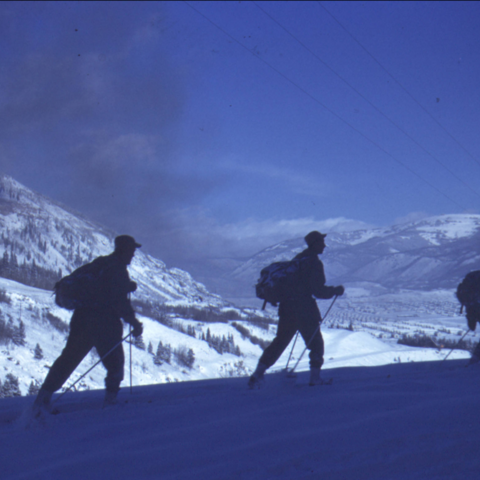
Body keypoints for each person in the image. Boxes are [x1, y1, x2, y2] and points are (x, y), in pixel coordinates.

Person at [33, 235, 144, 412]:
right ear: (123, 250)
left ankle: (41, 401)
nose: (133, 255)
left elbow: (103, 289)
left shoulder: (100, 264)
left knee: (68, 360)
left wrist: (126, 286)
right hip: (105, 323)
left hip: (81, 319)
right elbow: (119, 302)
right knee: (115, 364)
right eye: (131, 251)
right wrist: (134, 323)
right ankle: (110, 404)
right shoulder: (117, 269)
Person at [248, 231, 344, 388]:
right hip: (305, 309)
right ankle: (315, 378)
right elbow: (318, 291)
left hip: (287, 309)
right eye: (321, 242)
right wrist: (335, 290)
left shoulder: (296, 261)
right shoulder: (313, 262)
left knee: (279, 343)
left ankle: (257, 374)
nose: (324, 246)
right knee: (316, 343)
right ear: (314, 244)